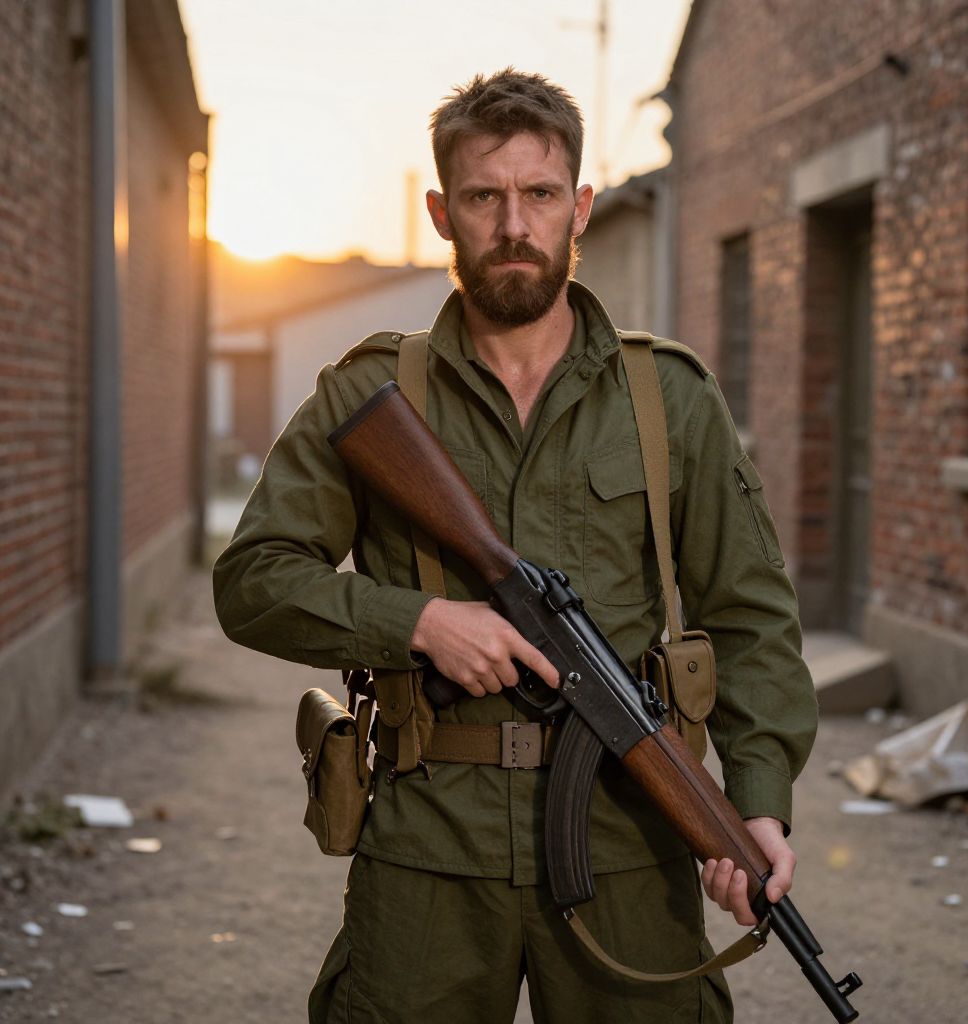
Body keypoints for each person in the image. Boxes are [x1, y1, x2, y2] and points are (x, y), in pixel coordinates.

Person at [212, 68, 817, 1024]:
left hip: (629, 841)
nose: (514, 225)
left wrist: (757, 802)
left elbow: (750, 619)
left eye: (539, 195)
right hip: (427, 848)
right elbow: (251, 582)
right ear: (442, 212)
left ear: (579, 207)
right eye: (485, 197)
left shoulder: (669, 400)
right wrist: (420, 622)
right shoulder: (371, 396)